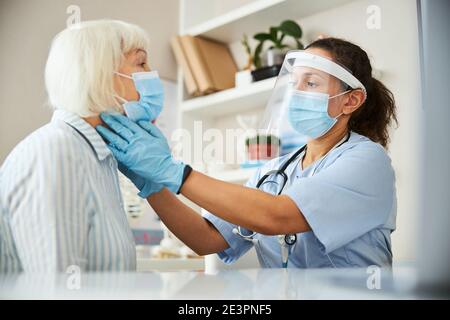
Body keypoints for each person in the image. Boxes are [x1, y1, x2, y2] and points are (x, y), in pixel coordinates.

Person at [97, 38, 398, 268]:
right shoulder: (272, 172)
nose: (296, 93)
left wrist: (174, 171)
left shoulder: (368, 161)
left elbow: (277, 216)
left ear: (351, 100)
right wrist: (152, 184)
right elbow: (206, 239)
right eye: (294, 83)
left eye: (311, 83)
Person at [0, 20, 164, 272]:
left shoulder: (96, 156)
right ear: (100, 74)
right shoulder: (56, 154)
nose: (152, 73)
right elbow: (56, 290)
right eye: (141, 63)